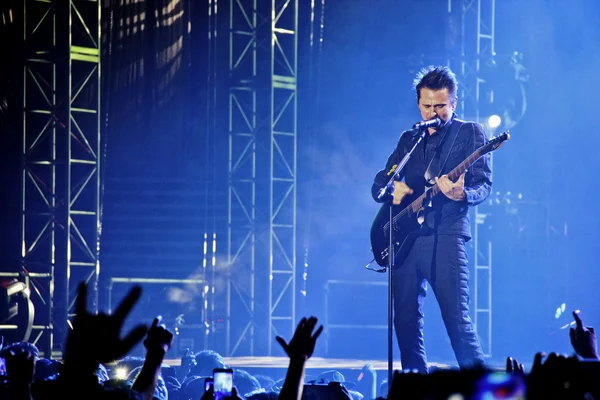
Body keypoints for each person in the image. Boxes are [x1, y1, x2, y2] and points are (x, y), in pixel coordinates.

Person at [371, 65, 492, 372]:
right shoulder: (409, 139)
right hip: (407, 242)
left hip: (447, 236)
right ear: (418, 104)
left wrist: (461, 195)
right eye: (427, 106)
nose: (433, 113)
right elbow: (391, 182)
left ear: (454, 103)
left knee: (456, 320)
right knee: (405, 321)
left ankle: (484, 389)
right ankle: (416, 387)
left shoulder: (469, 133)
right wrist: (396, 199)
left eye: (440, 106)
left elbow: (483, 183)